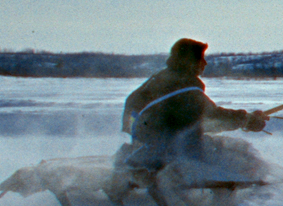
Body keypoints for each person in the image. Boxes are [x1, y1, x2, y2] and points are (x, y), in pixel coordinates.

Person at [115, 38, 272, 181]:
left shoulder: (158, 79)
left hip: (148, 149)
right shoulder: (186, 86)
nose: (205, 63)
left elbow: (195, 121)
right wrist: (248, 120)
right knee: (247, 159)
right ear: (189, 61)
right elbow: (212, 117)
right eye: (201, 58)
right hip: (177, 154)